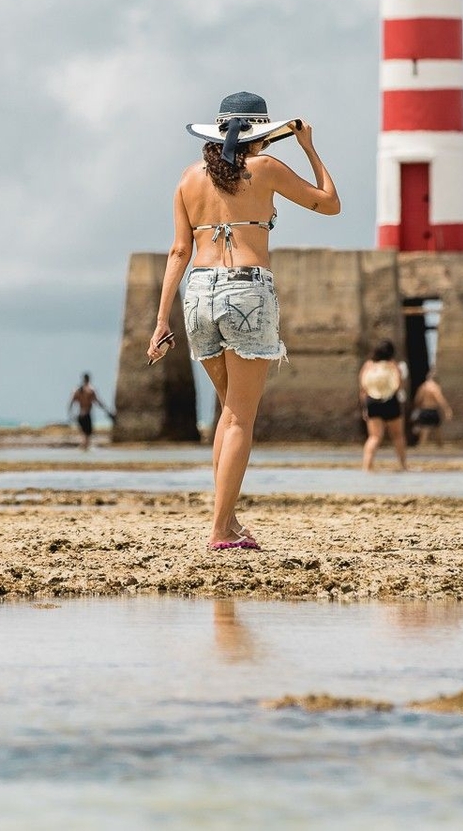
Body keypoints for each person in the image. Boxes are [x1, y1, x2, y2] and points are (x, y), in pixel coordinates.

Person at [150, 92, 340, 549]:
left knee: (228, 415)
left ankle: (228, 523)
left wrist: (160, 321)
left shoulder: (188, 178)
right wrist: (309, 148)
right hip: (246, 289)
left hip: (197, 294)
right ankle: (219, 530)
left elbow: (179, 251)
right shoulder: (266, 168)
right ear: (259, 135)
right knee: (239, 419)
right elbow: (330, 204)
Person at [359, 340, 409, 472]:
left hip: (371, 401)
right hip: (390, 399)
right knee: (397, 435)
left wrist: (365, 408)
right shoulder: (393, 365)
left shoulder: (368, 365)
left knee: (374, 437)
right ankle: (403, 466)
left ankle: (367, 467)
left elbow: (363, 388)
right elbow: (398, 385)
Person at [67, 373, 111, 450]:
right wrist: (106, 410)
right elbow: (97, 402)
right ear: (89, 379)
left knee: (84, 435)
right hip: (87, 415)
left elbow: (70, 403)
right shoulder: (90, 390)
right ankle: (84, 451)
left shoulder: (76, 390)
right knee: (87, 435)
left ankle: (83, 452)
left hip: (80, 415)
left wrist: (71, 413)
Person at [409, 373, 451, 449]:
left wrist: (418, 407)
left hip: (425, 409)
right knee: (436, 429)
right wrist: (447, 409)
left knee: (425, 429)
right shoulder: (435, 387)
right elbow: (440, 399)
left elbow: (417, 399)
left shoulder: (423, 387)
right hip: (433, 409)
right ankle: (439, 446)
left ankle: (422, 445)